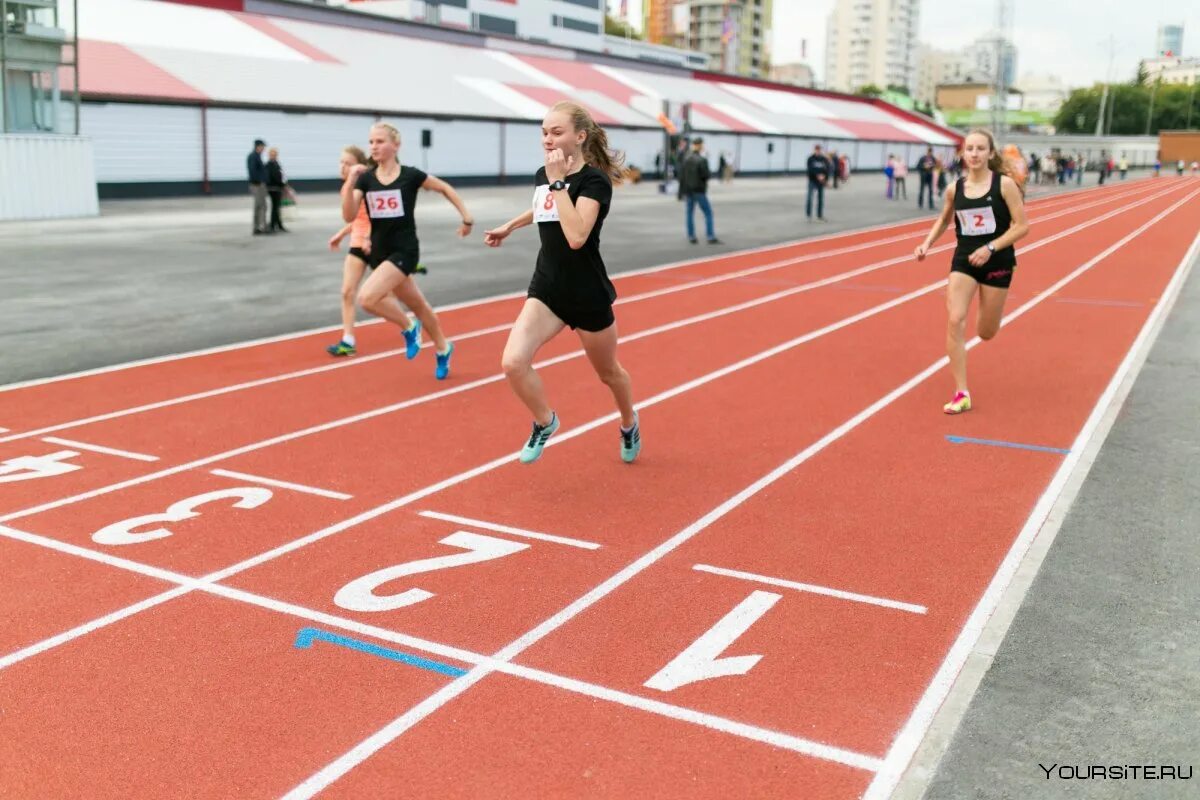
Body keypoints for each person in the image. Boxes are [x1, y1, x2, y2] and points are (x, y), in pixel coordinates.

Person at [483, 101, 640, 464]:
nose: (547, 140)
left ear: (580, 136)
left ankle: (629, 422)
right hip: (548, 289)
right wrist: (511, 224)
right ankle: (544, 421)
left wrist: (557, 183)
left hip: (587, 294)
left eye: (557, 132)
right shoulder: (545, 174)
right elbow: (544, 208)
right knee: (512, 363)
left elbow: (576, 235)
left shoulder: (594, 181)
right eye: (544, 133)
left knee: (609, 373)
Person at [341, 122, 473, 379]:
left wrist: (466, 217)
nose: (374, 147)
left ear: (395, 145)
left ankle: (409, 327)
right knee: (419, 304)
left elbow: (444, 187)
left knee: (366, 299)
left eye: (379, 141)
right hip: (379, 254)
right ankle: (444, 348)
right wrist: (349, 183)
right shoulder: (366, 179)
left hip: (404, 251)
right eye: (371, 142)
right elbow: (348, 216)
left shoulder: (410, 176)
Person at [913, 128, 1029, 415]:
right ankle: (961, 392)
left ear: (990, 153)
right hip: (964, 259)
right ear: (963, 154)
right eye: (969, 149)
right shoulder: (955, 188)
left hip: (997, 260)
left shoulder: (1004, 186)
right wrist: (926, 244)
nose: (974, 154)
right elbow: (943, 219)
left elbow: (1022, 226)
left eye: (980, 149)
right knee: (955, 318)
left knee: (986, 331)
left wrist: (990, 248)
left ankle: (986, 312)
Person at [325, 146, 374, 357]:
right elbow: (356, 218)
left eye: (348, 163)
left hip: (376, 243)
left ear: (359, 166)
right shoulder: (347, 187)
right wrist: (342, 234)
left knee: (389, 296)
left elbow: (377, 215)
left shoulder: (367, 185)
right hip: (357, 244)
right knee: (347, 292)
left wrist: (370, 237)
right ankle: (348, 340)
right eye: (341, 162)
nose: (343, 167)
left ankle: (411, 324)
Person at [681, 137, 721, 245]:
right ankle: (710, 236)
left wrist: (681, 192)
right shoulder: (702, 160)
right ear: (700, 145)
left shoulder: (686, 159)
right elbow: (706, 175)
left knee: (689, 213)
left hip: (689, 190)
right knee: (708, 213)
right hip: (699, 190)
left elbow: (682, 176)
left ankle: (691, 236)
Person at [247, 139, 268, 235]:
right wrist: (259, 182)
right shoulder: (253, 156)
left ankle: (260, 227)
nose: (263, 148)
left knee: (260, 206)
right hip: (257, 185)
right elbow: (252, 171)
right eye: (262, 146)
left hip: (259, 184)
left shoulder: (257, 156)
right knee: (260, 206)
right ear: (258, 146)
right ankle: (260, 227)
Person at [265, 147, 288, 233]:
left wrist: (284, 184)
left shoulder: (276, 163)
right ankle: (272, 225)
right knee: (275, 208)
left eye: (275, 155)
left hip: (278, 188)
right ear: (269, 155)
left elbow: (281, 174)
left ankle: (278, 224)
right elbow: (273, 177)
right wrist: (281, 184)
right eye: (272, 155)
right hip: (273, 188)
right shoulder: (268, 165)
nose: (273, 156)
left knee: (277, 207)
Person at [805, 144, 830, 220]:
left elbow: (827, 170)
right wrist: (817, 175)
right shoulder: (810, 159)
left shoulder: (824, 159)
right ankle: (809, 214)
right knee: (809, 197)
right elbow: (810, 170)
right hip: (812, 180)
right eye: (816, 149)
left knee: (820, 199)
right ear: (814, 150)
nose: (818, 151)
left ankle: (819, 215)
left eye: (819, 149)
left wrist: (825, 179)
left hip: (821, 182)